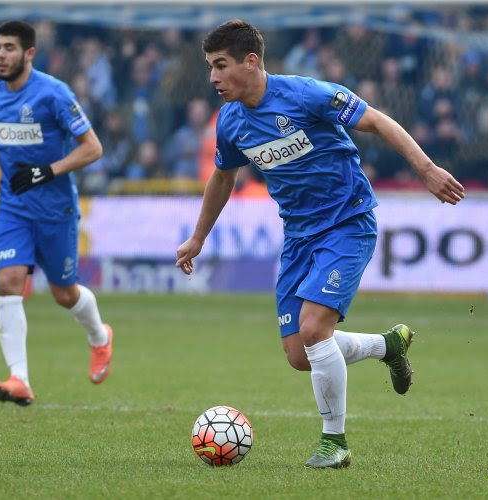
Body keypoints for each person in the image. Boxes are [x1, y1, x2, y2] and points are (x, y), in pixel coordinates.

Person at [176, 20, 465, 469]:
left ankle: (336, 443)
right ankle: (388, 346)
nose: (213, 77)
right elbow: (222, 176)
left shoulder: (306, 94)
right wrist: (198, 238)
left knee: (314, 331)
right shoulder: (231, 120)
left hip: (348, 222)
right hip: (299, 236)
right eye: (210, 67)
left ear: (251, 62)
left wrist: (425, 169)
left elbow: (377, 120)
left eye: (220, 65)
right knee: (299, 354)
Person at [0, 21, 113, 406]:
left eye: (9, 48)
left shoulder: (54, 94)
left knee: (63, 293)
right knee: (8, 281)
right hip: (13, 207)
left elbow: (93, 148)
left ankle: (100, 336)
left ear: (29, 54)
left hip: (55, 208)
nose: (0, 54)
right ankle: (20, 378)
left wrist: (46, 170)